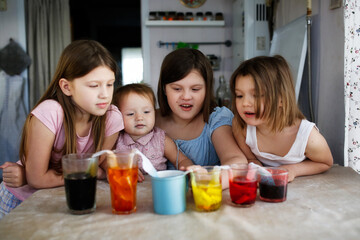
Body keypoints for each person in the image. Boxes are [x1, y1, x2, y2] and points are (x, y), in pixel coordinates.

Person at [0, 40, 124, 218]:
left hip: (65, 197)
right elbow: (37, 179)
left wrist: (109, 169)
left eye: (110, 84)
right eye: (94, 85)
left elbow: (101, 167)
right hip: (22, 200)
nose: (105, 94)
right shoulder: (50, 112)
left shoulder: (112, 118)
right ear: (67, 87)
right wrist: (91, 172)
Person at [230, 55, 333, 182]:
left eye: (257, 95)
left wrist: (292, 170)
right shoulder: (241, 127)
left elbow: (326, 163)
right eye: (239, 95)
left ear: (281, 99)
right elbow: (251, 159)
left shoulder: (308, 137)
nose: (245, 103)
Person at [155, 48, 247, 186]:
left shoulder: (216, 119)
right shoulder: (149, 120)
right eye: (177, 89)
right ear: (164, 89)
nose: (186, 96)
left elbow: (236, 161)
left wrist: (209, 182)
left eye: (195, 89)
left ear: (207, 89)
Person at [113, 83, 196, 182]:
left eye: (146, 112)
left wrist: (189, 169)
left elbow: (181, 160)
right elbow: (104, 161)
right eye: (130, 114)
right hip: (127, 189)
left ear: (154, 112)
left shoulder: (161, 139)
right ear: (118, 116)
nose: (139, 118)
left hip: (157, 189)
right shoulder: (116, 140)